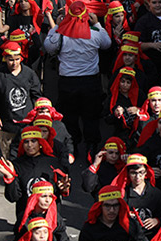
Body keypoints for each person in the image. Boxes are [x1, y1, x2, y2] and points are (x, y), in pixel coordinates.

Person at [44, 1, 111, 158]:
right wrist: (98, 25)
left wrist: (56, 27)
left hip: (68, 82)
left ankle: (72, 145)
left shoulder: (62, 35)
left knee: (69, 116)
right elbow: (107, 44)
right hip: (90, 82)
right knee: (91, 116)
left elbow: (48, 46)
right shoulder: (95, 33)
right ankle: (91, 145)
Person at [0, 41, 41, 159]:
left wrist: (39, 115)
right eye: (11, 60)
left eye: (17, 59)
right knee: (9, 158)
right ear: (5, 59)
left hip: (27, 125)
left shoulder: (29, 74)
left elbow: (36, 95)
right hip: (7, 126)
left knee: (28, 157)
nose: (14, 63)